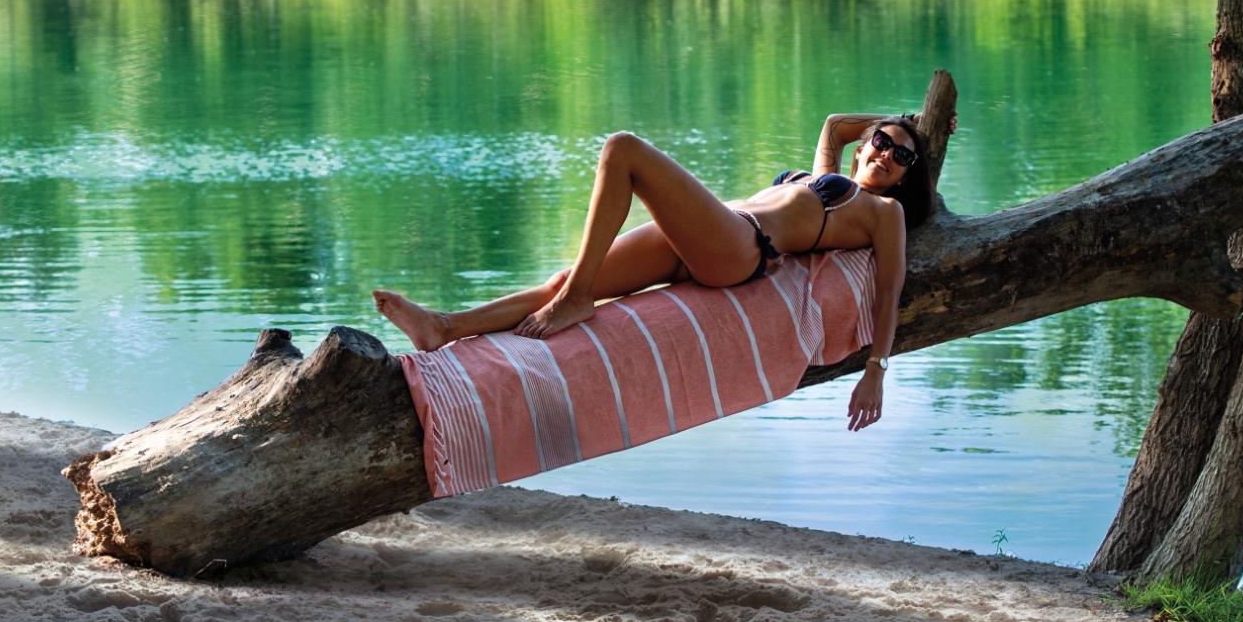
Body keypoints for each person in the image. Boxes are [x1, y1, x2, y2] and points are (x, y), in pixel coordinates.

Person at [373, 110, 953, 431]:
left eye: (901, 156)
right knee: (564, 279)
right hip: (704, 236)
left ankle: (576, 300)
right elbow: (832, 124)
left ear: (906, 177)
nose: (884, 153)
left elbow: (890, 289)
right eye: (880, 143)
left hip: (739, 249)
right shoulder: (826, 169)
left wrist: (876, 369)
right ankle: (445, 328)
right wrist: (904, 122)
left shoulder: (882, 214)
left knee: (623, 148)